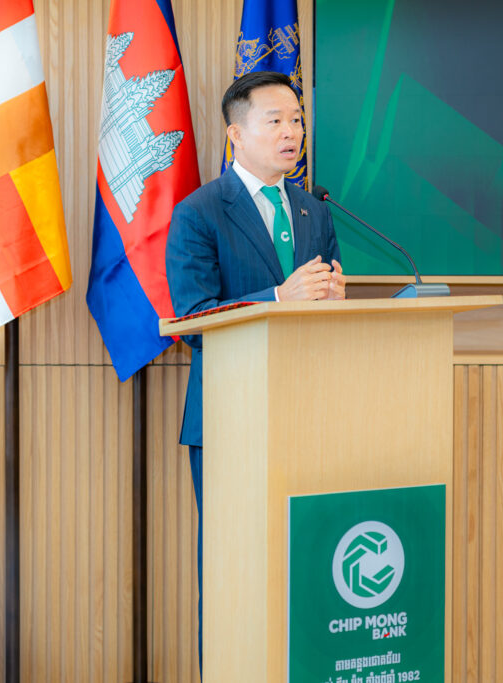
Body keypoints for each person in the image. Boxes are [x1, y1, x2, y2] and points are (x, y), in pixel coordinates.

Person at [165, 70, 345, 664]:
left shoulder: (315, 210)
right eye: (276, 121)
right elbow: (193, 321)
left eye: (297, 121)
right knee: (235, 568)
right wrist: (277, 299)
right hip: (231, 423)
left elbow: (322, 301)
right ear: (235, 134)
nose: (292, 133)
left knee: (312, 565)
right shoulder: (200, 213)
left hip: (310, 414)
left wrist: (333, 302)